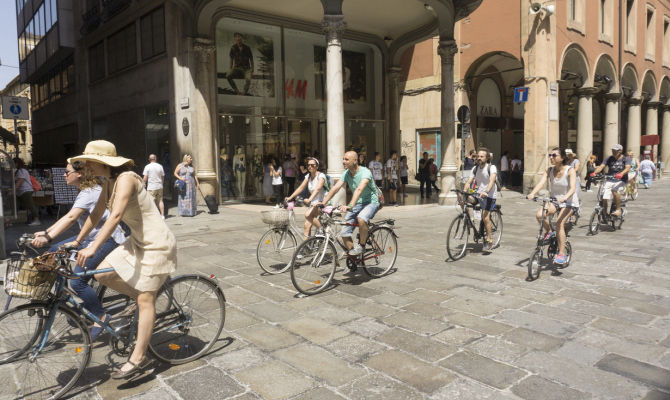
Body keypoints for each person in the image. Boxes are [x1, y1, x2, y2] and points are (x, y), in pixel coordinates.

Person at [68, 140, 176, 379]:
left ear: (102, 162)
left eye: (89, 161)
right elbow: (97, 214)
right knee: (104, 273)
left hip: (156, 242)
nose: (85, 165)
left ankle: (139, 357)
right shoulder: (108, 182)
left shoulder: (126, 178)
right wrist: (77, 242)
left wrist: (93, 247)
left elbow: (115, 216)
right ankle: (141, 300)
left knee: (146, 299)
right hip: (137, 241)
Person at [31, 161, 126, 340]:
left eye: (67, 172)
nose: (64, 175)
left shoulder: (90, 192)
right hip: (89, 238)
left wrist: (48, 235)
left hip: (107, 239)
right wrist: (46, 233)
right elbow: (68, 217)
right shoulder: (85, 190)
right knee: (53, 252)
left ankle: (100, 315)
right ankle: (65, 298)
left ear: (80, 173)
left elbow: (72, 218)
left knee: (78, 282)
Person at [317, 150, 380, 260]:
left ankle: (362, 246)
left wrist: (350, 205)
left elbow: (359, 189)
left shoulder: (365, 172)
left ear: (355, 161)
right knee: (344, 233)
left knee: (361, 218)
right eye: (343, 159)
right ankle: (354, 258)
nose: (343, 161)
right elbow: (335, 188)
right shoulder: (346, 173)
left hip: (371, 202)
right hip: (358, 203)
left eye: (346, 159)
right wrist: (323, 202)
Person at [527, 147, 579, 266]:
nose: (551, 157)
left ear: (562, 158)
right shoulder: (549, 170)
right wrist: (532, 193)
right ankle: (549, 232)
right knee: (540, 215)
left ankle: (561, 253)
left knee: (559, 224)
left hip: (569, 202)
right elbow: (541, 183)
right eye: (550, 155)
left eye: (554, 155)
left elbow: (572, 188)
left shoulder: (570, 170)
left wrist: (565, 197)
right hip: (555, 200)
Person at [463, 148, 498, 252]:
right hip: (478, 194)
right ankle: (470, 220)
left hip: (489, 195)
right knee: (462, 198)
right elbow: (469, 181)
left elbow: (492, 181)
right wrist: (464, 190)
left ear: (486, 158)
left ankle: (489, 240)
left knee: (485, 217)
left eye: (481, 156)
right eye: (478, 156)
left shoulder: (491, 167)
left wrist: (486, 191)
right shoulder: (475, 168)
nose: (479, 158)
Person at [285, 157, 328, 238]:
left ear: (317, 166)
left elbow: (318, 189)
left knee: (308, 215)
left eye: (312, 165)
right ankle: (306, 248)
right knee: (306, 226)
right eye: (308, 165)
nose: (310, 167)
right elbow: (300, 188)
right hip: (313, 202)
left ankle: (321, 229)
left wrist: (309, 199)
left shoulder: (321, 176)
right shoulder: (308, 176)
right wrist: (290, 197)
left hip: (323, 202)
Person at [591, 144, 631, 217]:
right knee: (604, 195)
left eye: (615, 150)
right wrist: (594, 173)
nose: (613, 152)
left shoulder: (626, 158)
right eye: (613, 150)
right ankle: (605, 213)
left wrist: (621, 174)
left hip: (621, 180)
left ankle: (618, 210)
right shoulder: (609, 158)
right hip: (610, 179)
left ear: (620, 151)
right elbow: (601, 166)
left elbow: (627, 168)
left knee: (614, 190)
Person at [14, 157, 40, 225]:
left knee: (30, 205)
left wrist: (13, 190)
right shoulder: (19, 171)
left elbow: (19, 182)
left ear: (17, 163)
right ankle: (12, 220)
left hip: (25, 191)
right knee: (16, 205)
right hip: (20, 192)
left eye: (14, 163)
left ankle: (36, 220)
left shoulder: (21, 171)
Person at [143, 154, 165, 219]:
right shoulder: (160, 166)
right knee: (160, 201)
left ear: (149, 159)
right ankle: (162, 215)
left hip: (151, 187)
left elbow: (145, 178)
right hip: (159, 186)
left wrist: (142, 184)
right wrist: (162, 183)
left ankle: (153, 216)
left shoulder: (147, 167)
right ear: (156, 159)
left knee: (151, 202)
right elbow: (163, 176)